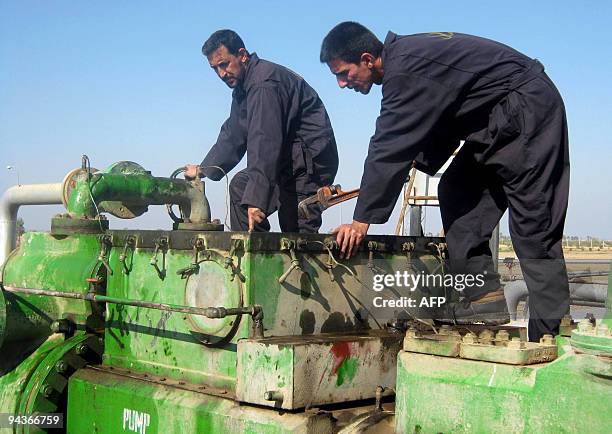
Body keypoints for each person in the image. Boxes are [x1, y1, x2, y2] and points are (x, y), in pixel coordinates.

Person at [320, 22, 570, 341]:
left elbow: (387, 144)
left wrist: (360, 222)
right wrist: (414, 155)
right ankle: (484, 297)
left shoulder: (405, 70)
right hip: (496, 120)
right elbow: (434, 121)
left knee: (534, 230)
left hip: (528, 110)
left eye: (344, 73)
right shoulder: (407, 63)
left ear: (367, 59)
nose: (342, 84)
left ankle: (552, 338)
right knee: (457, 189)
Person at [185, 29, 338, 232]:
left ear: (242, 55)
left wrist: (257, 199)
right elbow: (234, 133)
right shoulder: (244, 85)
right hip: (287, 160)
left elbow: (264, 141)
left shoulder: (263, 84)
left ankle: (300, 261)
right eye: (215, 68)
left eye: (224, 64)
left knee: (295, 232)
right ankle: (253, 254)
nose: (221, 74)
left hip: (309, 164)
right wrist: (204, 169)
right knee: (241, 188)